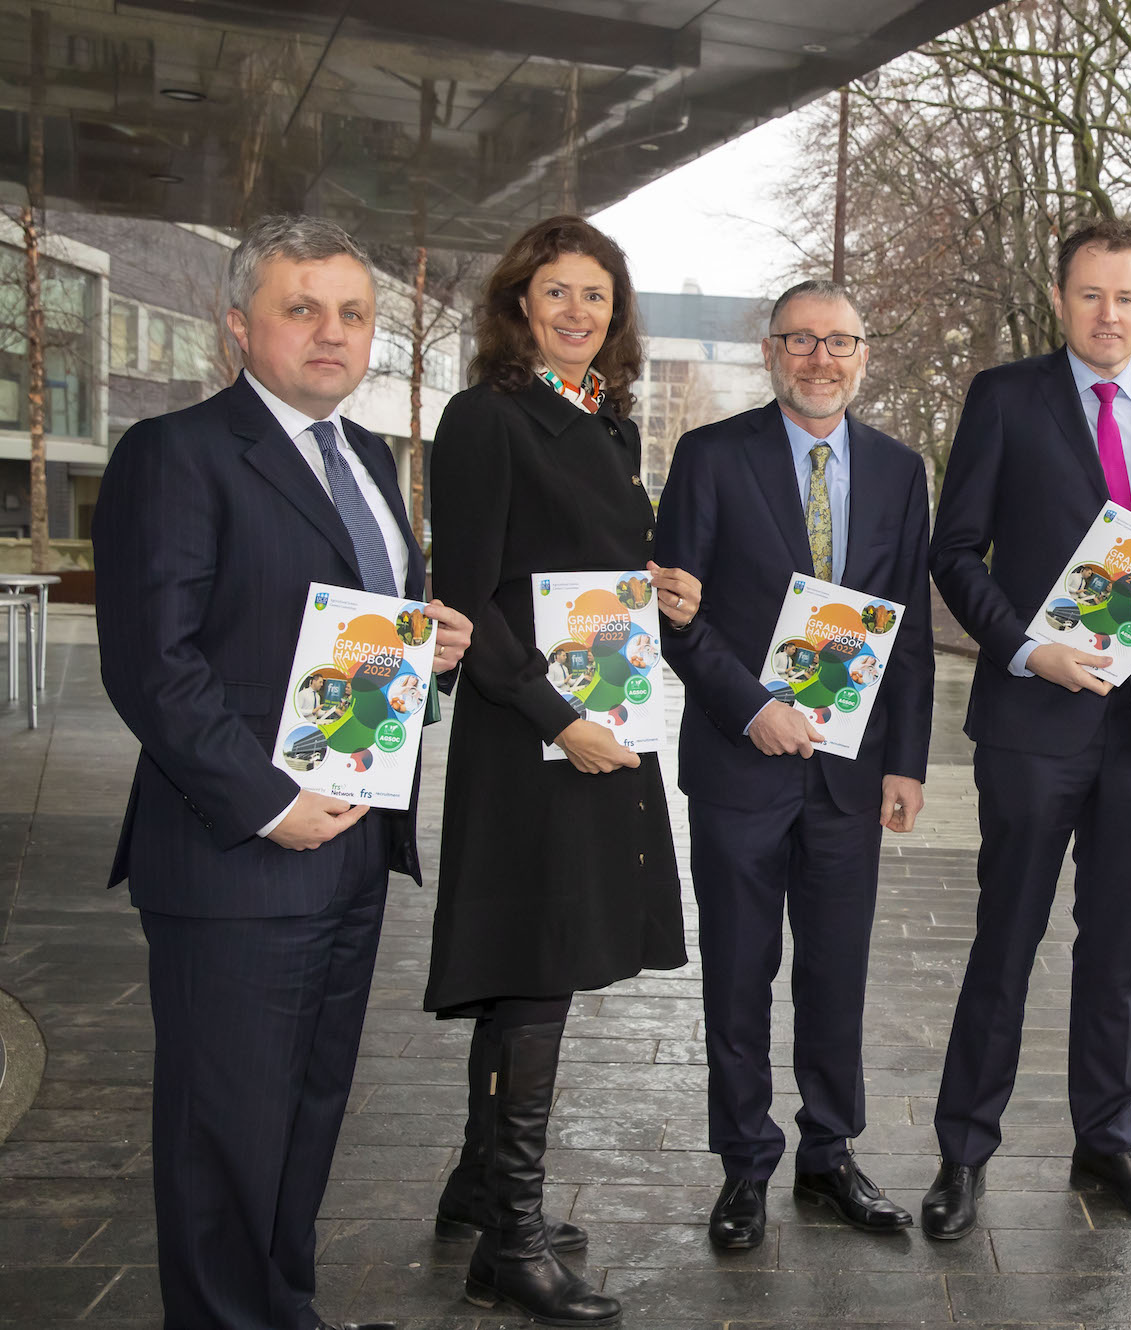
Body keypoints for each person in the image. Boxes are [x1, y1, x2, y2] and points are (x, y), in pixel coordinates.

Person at [93, 214, 473, 1330]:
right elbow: (152, 667)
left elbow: (345, 631)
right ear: (238, 326)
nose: (332, 333)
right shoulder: (176, 454)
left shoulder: (366, 459)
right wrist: (270, 805)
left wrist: (427, 640)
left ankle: (283, 1311)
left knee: (305, 1120)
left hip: (353, 849)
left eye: (352, 314)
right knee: (225, 1136)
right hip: (237, 862)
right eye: (301, 309)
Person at [922, 220, 1131, 1239]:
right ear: (1062, 300)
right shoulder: (1005, 399)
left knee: (1117, 950)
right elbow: (956, 550)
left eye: (1127, 297)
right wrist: (1025, 648)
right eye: (1091, 294)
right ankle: (964, 1151)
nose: (1109, 314)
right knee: (1006, 937)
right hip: (1033, 715)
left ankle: (1107, 1144)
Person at [424, 216, 699, 1327]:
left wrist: (661, 592)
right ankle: (513, 1238)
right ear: (519, 306)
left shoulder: (609, 426)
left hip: (593, 728)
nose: (578, 312)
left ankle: (484, 1183)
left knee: (550, 954)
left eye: (597, 295)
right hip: (527, 734)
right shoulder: (485, 419)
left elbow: (589, 573)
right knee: (531, 960)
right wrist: (558, 714)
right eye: (557, 293)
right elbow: (471, 598)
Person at [654, 279, 934, 1251]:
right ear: (772, 351)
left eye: (840, 342)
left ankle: (829, 1156)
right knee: (738, 972)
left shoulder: (901, 472)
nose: (822, 358)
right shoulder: (709, 458)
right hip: (741, 768)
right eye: (801, 341)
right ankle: (744, 1164)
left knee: (838, 975)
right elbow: (676, 618)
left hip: (851, 779)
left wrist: (908, 761)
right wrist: (752, 708)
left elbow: (908, 630)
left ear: (863, 354)